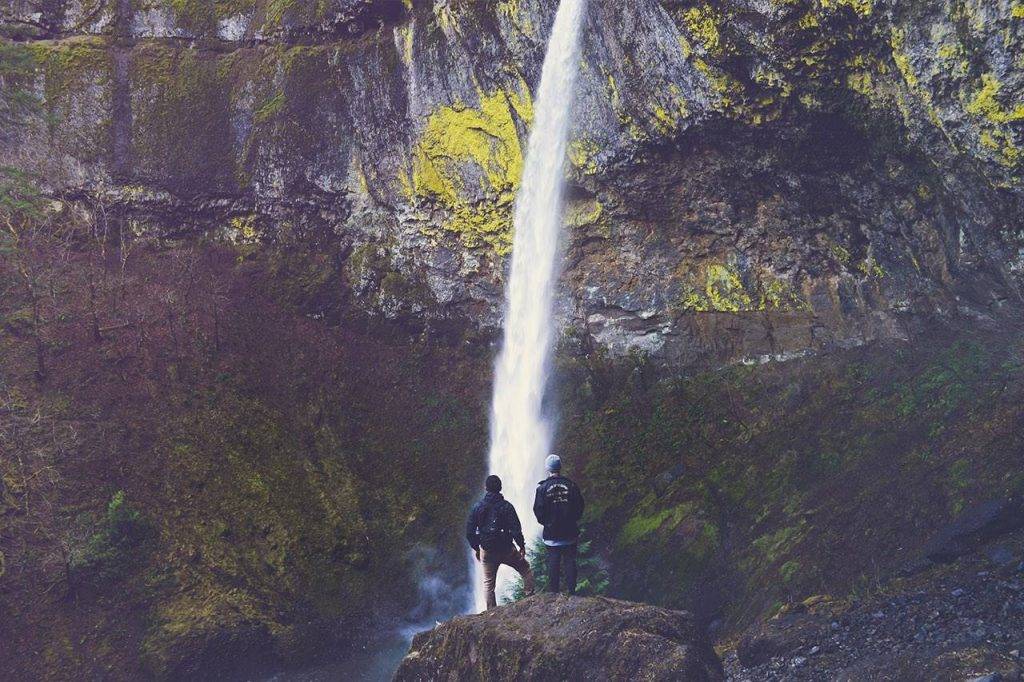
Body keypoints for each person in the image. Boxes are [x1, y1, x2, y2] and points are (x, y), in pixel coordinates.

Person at [466, 474, 535, 609]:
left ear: (485, 488)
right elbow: (516, 530)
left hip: (487, 550)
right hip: (507, 549)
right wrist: (521, 546)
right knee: (526, 569)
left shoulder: (477, 507)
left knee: (488, 583)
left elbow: (469, 532)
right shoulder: (507, 506)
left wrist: (477, 548)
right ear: (500, 488)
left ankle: (491, 611)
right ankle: (530, 598)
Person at [533, 454, 585, 594]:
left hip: (551, 532)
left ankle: (553, 592)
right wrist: (572, 520)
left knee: (553, 561)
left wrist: (546, 522)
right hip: (569, 530)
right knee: (569, 560)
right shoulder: (571, 485)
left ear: (547, 469)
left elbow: (538, 510)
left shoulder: (542, 488)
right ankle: (572, 591)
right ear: (560, 467)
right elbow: (579, 506)